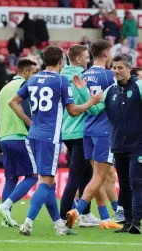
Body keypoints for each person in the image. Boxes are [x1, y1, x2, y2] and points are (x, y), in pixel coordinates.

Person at [9, 45, 102, 236]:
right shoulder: (60, 81)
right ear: (61, 61)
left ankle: (60, 225)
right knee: (46, 181)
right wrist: (91, 102)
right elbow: (73, 111)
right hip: (50, 136)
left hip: (34, 134)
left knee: (50, 184)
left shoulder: (33, 78)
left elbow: (13, 102)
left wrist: (29, 121)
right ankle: (27, 223)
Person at [74, 54, 142, 234]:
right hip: (118, 144)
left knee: (136, 183)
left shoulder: (139, 86)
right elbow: (95, 109)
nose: (117, 71)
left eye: (120, 68)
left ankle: (136, 221)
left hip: (138, 145)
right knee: (125, 184)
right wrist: (82, 92)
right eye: (114, 68)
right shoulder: (110, 90)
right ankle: (127, 222)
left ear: (129, 69)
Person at [66, 39, 122, 230]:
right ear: (106, 53)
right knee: (101, 176)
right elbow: (115, 103)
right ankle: (77, 210)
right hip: (105, 130)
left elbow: (86, 107)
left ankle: (107, 217)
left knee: (99, 176)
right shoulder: (110, 76)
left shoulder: (82, 75)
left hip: (87, 130)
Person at [59, 44, 101, 227]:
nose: (88, 60)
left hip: (65, 131)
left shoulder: (61, 77)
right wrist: (99, 101)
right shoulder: (80, 77)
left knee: (86, 173)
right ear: (77, 59)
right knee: (75, 176)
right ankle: (62, 218)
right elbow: (92, 108)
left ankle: (85, 214)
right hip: (80, 132)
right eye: (85, 57)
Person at [0, 58, 39, 227]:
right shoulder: (24, 87)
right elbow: (27, 111)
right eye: (34, 73)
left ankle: (5, 220)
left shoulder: (4, 89)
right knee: (33, 175)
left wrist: (0, 142)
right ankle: (5, 206)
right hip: (20, 135)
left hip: (5, 137)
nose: (35, 77)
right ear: (26, 71)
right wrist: (32, 128)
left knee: (11, 177)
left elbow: (1, 115)